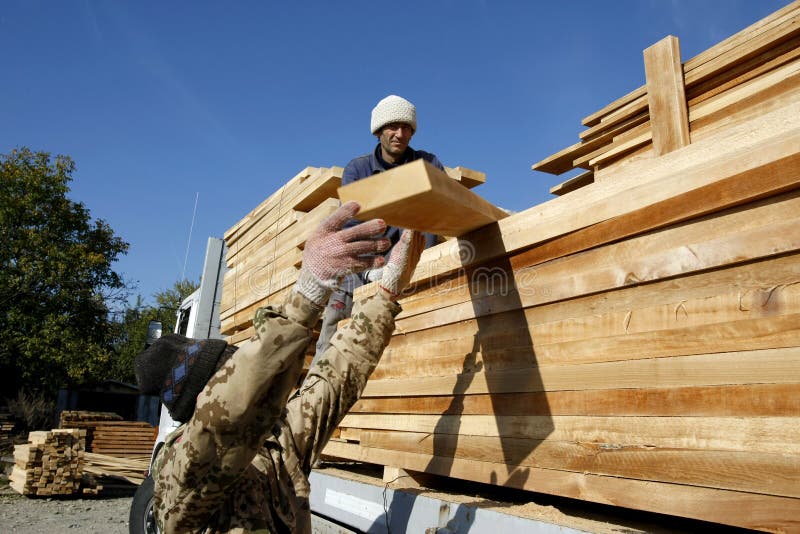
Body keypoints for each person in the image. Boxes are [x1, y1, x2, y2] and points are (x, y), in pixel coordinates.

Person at [134, 201, 425, 533]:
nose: (262, 389)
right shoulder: (180, 475)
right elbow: (224, 416)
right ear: (206, 396)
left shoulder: (277, 447)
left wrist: (386, 296)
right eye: (234, 371)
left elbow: (333, 382)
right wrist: (306, 297)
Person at [312, 94, 444, 363]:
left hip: (410, 269)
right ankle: (312, 388)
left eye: (407, 128)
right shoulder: (358, 169)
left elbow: (438, 211)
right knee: (333, 331)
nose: (400, 134)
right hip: (359, 267)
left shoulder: (427, 165)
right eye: (393, 127)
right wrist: (370, 268)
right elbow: (351, 223)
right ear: (379, 131)